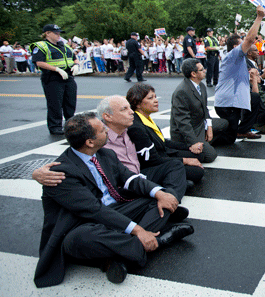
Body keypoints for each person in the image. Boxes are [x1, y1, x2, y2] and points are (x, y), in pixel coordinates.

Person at [33, 113, 193, 287]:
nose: (107, 131)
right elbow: (94, 210)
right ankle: (159, 240)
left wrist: (159, 194)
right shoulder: (61, 173)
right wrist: (139, 230)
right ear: (89, 142)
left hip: (116, 210)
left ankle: (118, 256)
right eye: (102, 130)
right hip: (86, 223)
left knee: (158, 201)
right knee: (78, 240)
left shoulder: (105, 154)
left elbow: (130, 178)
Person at [126, 83, 206, 185]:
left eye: (155, 97)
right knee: (197, 172)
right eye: (150, 98)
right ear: (137, 104)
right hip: (156, 163)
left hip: (163, 153)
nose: (156, 100)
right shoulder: (136, 127)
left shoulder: (146, 118)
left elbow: (163, 142)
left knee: (200, 154)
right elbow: (152, 160)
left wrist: (189, 146)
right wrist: (185, 160)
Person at [214, 6, 265, 144]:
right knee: (229, 139)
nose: (246, 45)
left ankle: (242, 129)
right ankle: (204, 134)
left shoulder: (240, 59)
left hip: (235, 102)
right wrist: (259, 17)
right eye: (241, 43)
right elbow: (249, 39)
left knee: (254, 97)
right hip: (227, 104)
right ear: (235, 47)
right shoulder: (233, 55)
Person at [171, 59, 229, 160]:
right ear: (193, 74)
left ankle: (205, 142)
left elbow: (204, 108)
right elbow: (183, 123)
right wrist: (194, 142)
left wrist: (209, 127)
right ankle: (193, 146)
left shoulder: (201, 86)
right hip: (190, 130)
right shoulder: (182, 92)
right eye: (202, 69)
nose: (205, 71)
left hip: (200, 124)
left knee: (224, 123)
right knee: (211, 156)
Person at [30, 24, 79, 135]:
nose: (58, 35)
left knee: (70, 102)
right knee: (55, 103)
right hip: (53, 77)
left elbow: (75, 58)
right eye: (55, 33)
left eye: (59, 33)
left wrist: (76, 65)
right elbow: (39, 62)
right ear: (47, 33)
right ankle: (55, 127)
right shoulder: (41, 46)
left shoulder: (65, 46)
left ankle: (70, 124)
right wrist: (56, 69)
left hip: (68, 76)